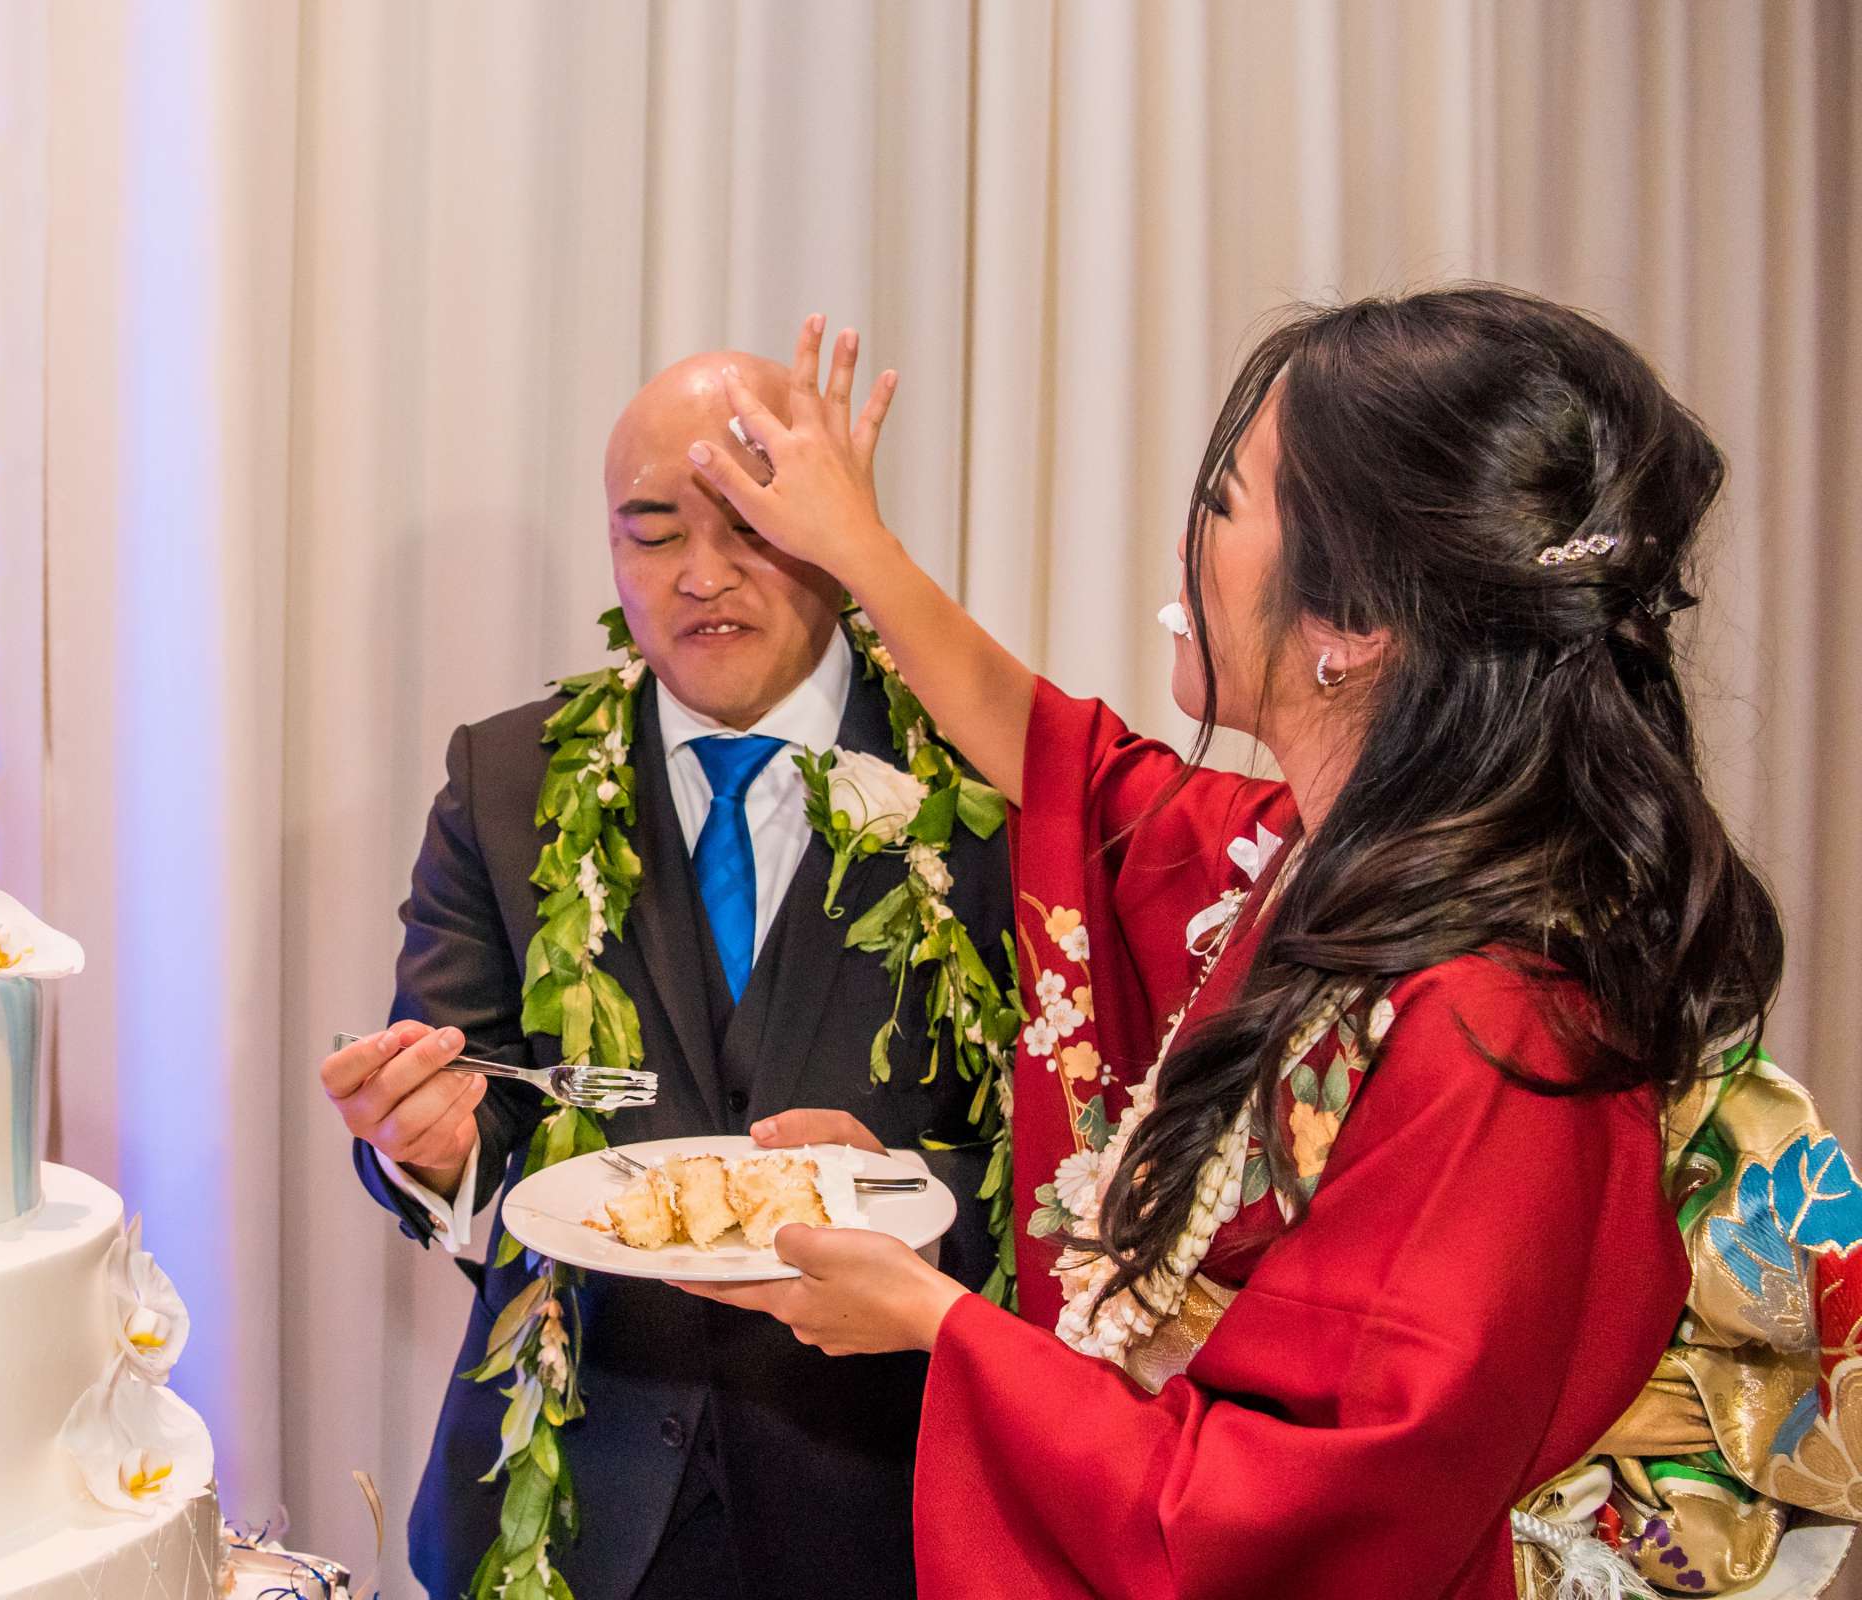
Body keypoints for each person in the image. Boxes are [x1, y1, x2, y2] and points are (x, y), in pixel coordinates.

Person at [673, 291, 1804, 1596]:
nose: (1183, 544)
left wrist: (939, 1325)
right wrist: (858, 550)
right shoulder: (1304, 861)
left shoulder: (1491, 1029)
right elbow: (1069, 764)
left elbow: (1290, 1524)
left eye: (1223, 507)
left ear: (1353, 623)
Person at [319, 351, 1010, 1600]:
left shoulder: (984, 775)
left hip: (888, 1509)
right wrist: (427, 1143)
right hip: (575, 1511)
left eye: (749, 525)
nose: (701, 575)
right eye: (652, 534)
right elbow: (464, 1097)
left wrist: (909, 1198)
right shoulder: (508, 778)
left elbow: (1063, 1153)